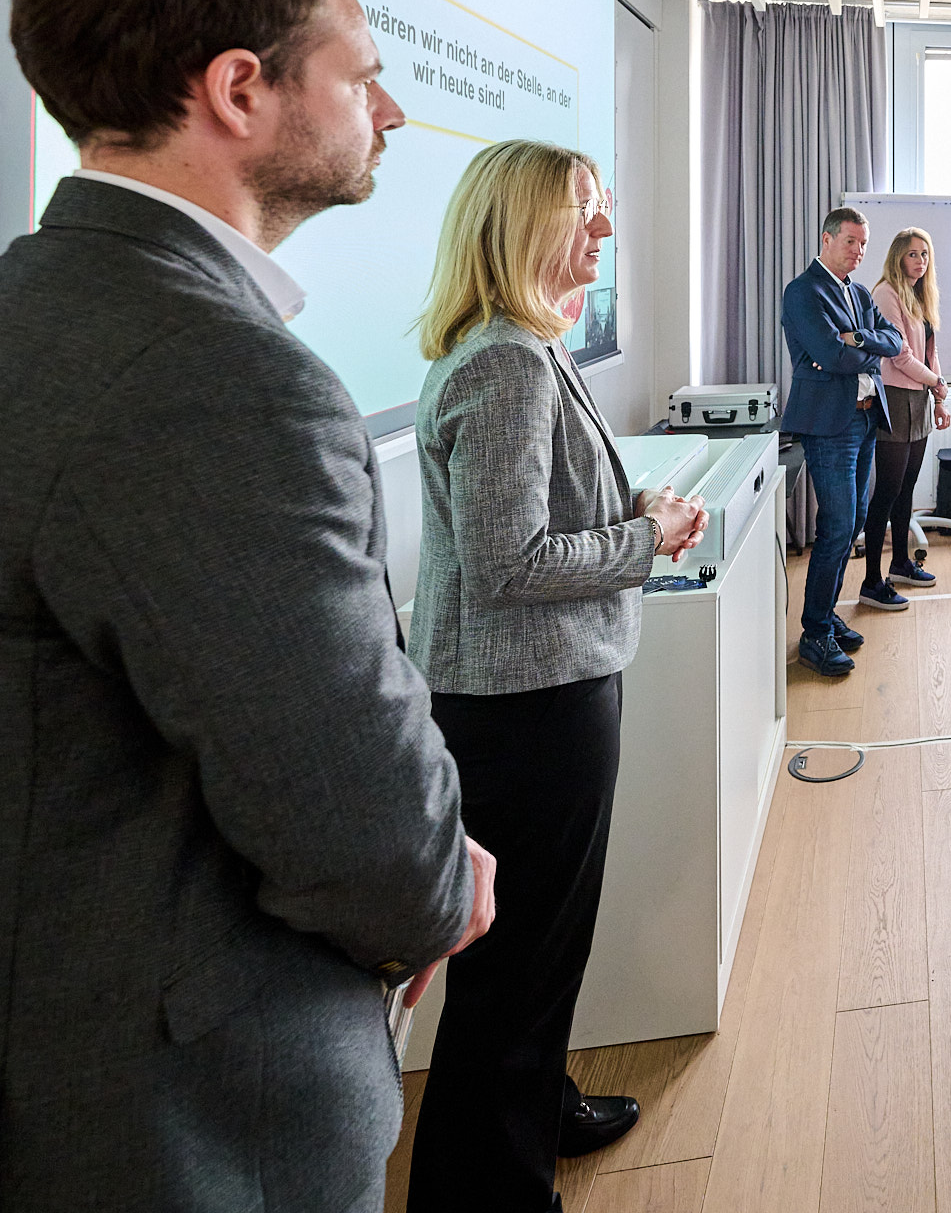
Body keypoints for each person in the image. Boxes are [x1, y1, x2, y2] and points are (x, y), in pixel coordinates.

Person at [0, 0, 487, 1209]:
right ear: (238, 89)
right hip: (173, 1126)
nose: (390, 111)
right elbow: (356, 823)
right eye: (362, 78)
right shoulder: (216, 375)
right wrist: (440, 878)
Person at [407, 142, 703, 1208]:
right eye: (585, 208)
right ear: (523, 221)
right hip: (524, 712)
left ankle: (540, 1107)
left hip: (535, 697)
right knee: (518, 968)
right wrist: (649, 538)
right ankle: (490, 1185)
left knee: (539, 952)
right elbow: (511, 564)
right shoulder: (506, 364)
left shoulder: (525, 346)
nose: (605, 230)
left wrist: (633, 514)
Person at [781, 207, 905, 677]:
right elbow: (831, 355)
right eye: (851, 241)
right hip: (830, 424)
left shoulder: (858, 292)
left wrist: (859, 339)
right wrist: (865, 350)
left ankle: (826, 614)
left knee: (852, 521)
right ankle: (814, 634)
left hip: (866, 417)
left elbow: (895, 341)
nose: (858, 251)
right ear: (827, 239)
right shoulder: (803, 291)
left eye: (863, 244)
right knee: (836, 525)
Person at [857, 226, 951, 610]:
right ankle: (871, 581)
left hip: (920, 399)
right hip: (895, 398)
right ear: (898, 256)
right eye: (913, 254)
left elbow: (929, 353)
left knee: (906, 488)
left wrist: (938, 398)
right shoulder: (886, 293)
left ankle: (900, 564)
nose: (920, 261)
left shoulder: (921, 294)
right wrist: (936, 382)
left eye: (924, 254)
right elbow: (899, 356)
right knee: (887, 491)